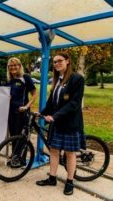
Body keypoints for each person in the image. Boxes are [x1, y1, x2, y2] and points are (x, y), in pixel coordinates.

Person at [36, 52, 85, 196]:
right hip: (57, 123)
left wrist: (55, 116)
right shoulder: (57, 80)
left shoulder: (77, 79)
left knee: (70, 154)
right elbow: (52, 102)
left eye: (59, 61)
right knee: (54, 151)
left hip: (70, 124)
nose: (56, 63)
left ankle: (70, 182)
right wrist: (42, 113)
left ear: (68, 61)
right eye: (54, 62)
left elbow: (74, 104)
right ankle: (52, 178)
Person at [6, 57, 37, 138]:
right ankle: (14, 151)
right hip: (11, 113)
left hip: (21, 112)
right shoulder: (9, 81)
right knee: (13, 137)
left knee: (21, 138)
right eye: (10, 66)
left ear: (19, 66)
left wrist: (26, 107)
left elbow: (35, 94)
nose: (13, 67)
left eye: (15, 65)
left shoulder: (25, 77)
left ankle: (21, 151)